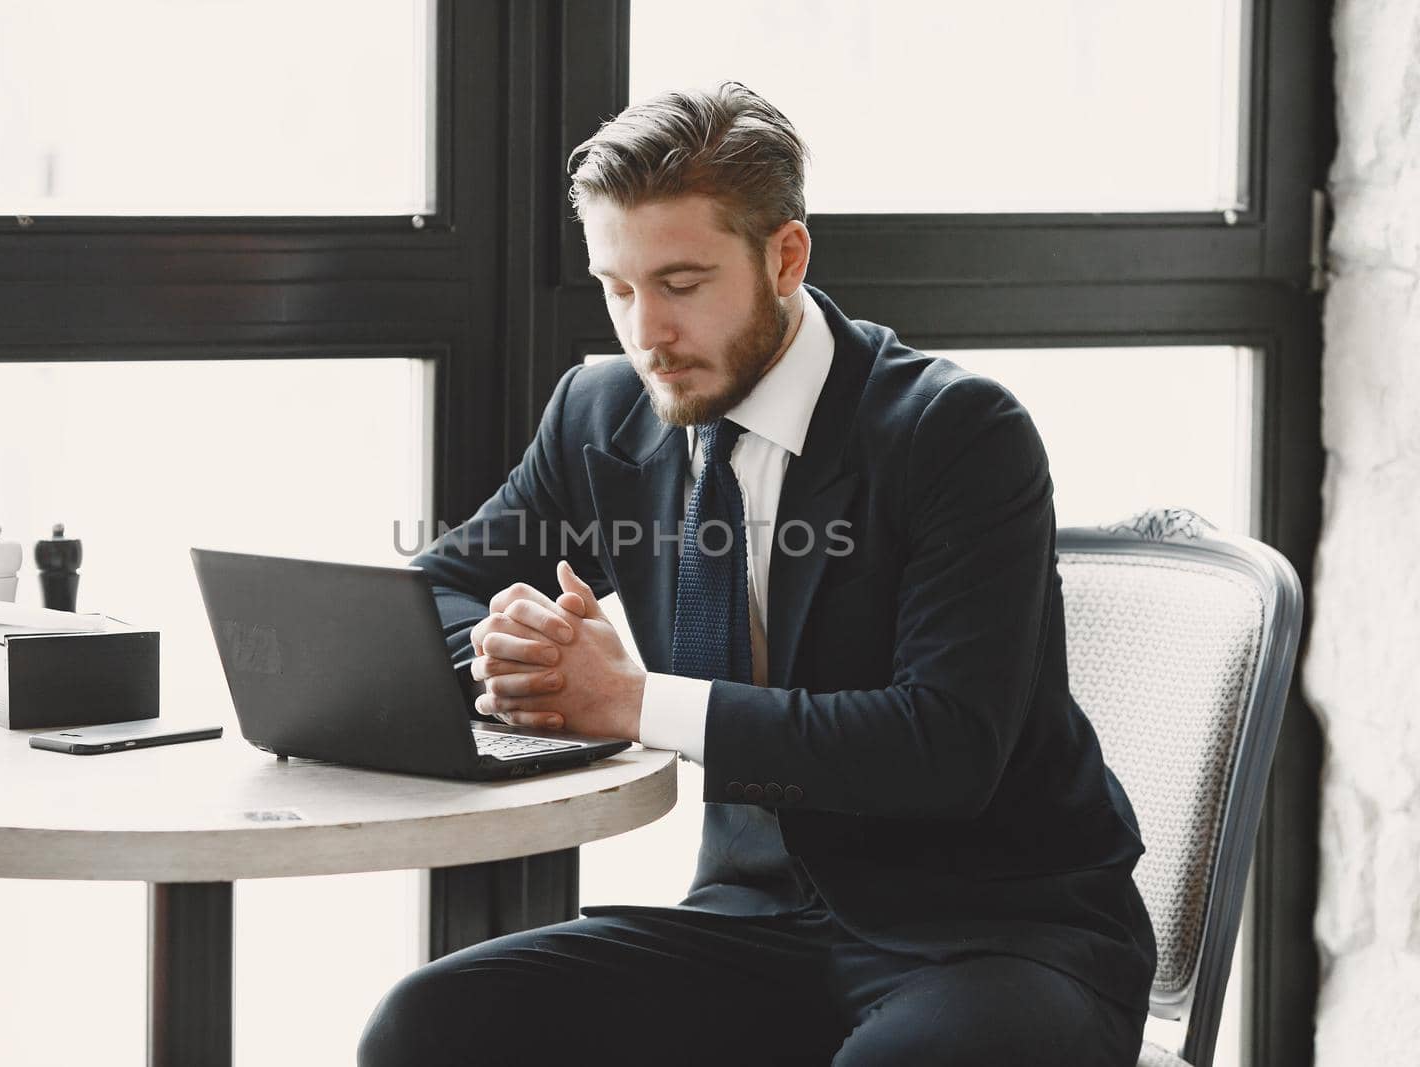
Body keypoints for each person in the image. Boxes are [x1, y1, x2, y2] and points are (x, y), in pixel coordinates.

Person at [358, 82, 1156, 1066]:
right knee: (430, 1026)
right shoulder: (600, 415)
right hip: (753, 919)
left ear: (784, 256)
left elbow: (944, 745)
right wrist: (514, 653)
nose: (644, 329)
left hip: (997, 932)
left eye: (682, 283)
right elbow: (433, 591)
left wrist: (633, 700)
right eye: (617, 286)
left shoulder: (953, 432)